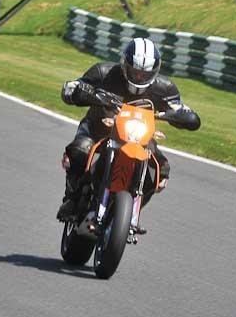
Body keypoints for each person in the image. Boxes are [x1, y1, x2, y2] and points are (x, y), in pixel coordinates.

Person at [57, 37, 201, 221]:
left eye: (145, 73)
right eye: (135, 72)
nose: (139, 77)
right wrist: (84, 93)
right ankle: (72, 198)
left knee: (161, 168)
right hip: (97, 129)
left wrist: (184, 117)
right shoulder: (103, 72)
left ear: (155, 71)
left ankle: (130, 210)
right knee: (80, 150)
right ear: (125, 65)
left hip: (140, 138)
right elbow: (70, 88)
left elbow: (180, 109)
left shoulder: (165, 88)